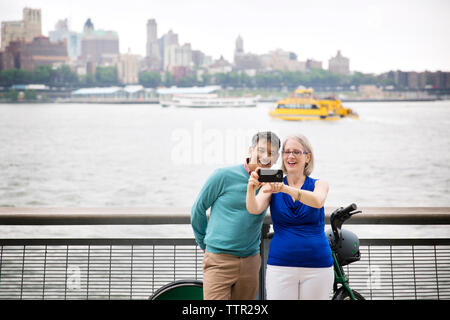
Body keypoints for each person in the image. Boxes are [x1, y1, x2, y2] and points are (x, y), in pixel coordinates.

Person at [191, 131, 281, 300]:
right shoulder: (222, 175)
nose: (265, 157)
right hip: (218, 259)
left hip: (250, 261)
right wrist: (205, 244)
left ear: (276, 158)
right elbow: (198, 209)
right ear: (251, 150)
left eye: (271, 153)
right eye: (261, 150)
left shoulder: (272, 184)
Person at [246, 134, 333, 300]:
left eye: (296, 152)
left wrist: (285, 189)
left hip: (318, 265)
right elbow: (254, 208)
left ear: (308, 157)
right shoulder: (272, 186)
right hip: (280, 265)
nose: (290, 156)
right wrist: (250, 190)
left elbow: (317, 201)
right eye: (286, 152)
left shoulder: (319, 184)